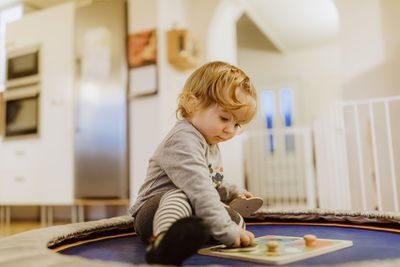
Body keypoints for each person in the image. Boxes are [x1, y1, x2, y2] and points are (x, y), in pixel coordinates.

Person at [129, 61, 258, 265]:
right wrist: (225, 231)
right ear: (193, 103)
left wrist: (233, 192)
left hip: (189, 205)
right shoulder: (182, 140)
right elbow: (200, 188)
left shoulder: (210, 141)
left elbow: (211, 183)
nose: (230, 130)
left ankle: (190, 234)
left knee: (235, 220)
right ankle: (163, 243)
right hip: (151, 214)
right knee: (182, 196)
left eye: (237, 124)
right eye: (224, 118)